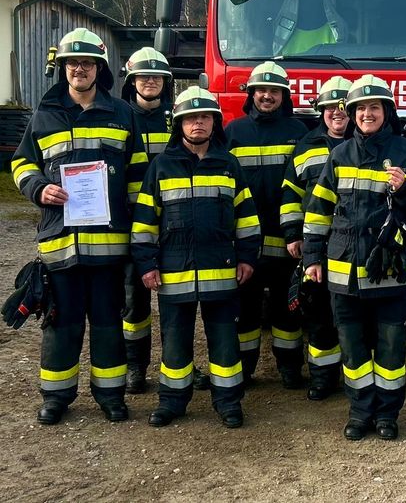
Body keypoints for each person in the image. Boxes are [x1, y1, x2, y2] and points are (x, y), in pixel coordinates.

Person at [11, 28, 147, 425]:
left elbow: (138, 175)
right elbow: (21, 163)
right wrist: (39, 189)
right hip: (61, 243)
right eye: (73, 63)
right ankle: (55, 397)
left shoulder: (123, 114)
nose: (79, 69)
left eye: (87, 63)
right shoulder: (44, 114)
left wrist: (139, 228)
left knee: (107, 324)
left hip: (108, 244)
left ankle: (110, 396)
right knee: (60, 323)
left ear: (99, 69)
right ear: (63, 68)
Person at [302, 75, 406, 441]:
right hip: (344, 273)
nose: (366, 114)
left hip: (392, 270)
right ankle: (360, 411)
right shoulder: (339, 155)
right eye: (360, 108)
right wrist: (312, 258)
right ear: (351, 114)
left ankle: (387, 415)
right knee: (353, 347)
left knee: (391, 349)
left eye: (373, 107)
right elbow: (317, 212)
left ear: (387, 112)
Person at [132, 87, 260, 428]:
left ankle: (228, 403)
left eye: (205, 117)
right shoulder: (161, 166)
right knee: (174, 342)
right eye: (191, 118)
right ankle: (172, 402)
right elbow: (144, 221)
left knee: (224, 343)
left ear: (215, 123)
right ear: (180, 124)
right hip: (174, 271)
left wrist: (247, 257)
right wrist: (146, 264)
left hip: (221, 270)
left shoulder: (228, 164)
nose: (198, 123)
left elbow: (246, 218)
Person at [224, 62, 307, 388]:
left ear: (283, 95)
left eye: (274, 91)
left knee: (288, 308)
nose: (267, 96)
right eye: (261, 90)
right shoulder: (234, 131)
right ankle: (244, 369)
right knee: (245, 308)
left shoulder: (298, 132)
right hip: (246, 239)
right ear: (251, 94)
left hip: (285, 236)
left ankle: (289, 368)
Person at [280, 76, 352, 400]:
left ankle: (356, 378)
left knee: (352, 317)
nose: (337, 114)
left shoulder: (369, 145)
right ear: (319, 111)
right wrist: (294, 235)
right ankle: (322, 377)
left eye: (343, 109)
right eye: (329, 109)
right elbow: (291, 195)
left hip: (355, 246)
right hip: (318, 243)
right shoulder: (305, 146)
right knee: (320, 314)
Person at [119, 46, 173, 394]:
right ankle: (136, 367)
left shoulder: (179, 116)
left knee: (177, 302)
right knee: (133, 301)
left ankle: (179, 364)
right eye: (143, 75)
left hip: (173, 225)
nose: (149, 81)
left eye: (156, 76)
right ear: (132, 80)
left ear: (165, 82)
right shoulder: (119, 117)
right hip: (132, 224)